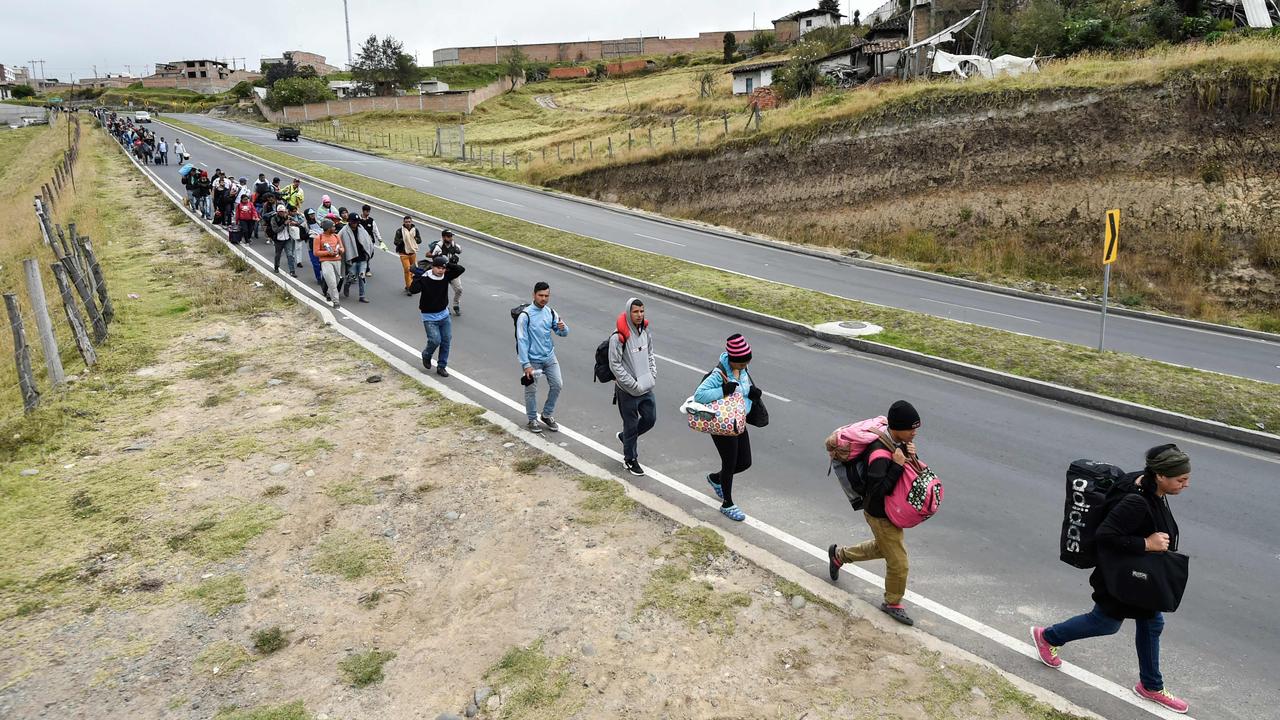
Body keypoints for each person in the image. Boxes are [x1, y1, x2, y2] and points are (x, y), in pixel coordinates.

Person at [1031, 445, 1192, 714]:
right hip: (1119, 577)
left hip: (1136, 576)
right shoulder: (1136, 500)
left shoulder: (1147, 483)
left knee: (1152, 622)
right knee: (1105, 622)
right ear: (1161, 475)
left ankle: (1151, 685)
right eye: (1181, 480)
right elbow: (1106, 535)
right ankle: (1047, 637)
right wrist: (1146, 543)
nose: (1186, 485)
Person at [827, 400, 922, 626]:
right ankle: (893, 602)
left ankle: (839, 556)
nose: (915, 432)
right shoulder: (879, 453)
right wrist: (898, 465)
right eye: (911, 428)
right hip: (879, 512)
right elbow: (876, 491)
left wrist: (909, 456)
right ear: (897, 427)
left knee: (884, 547)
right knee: (899, 562)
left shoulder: (896, 443)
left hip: (889, 511)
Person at [693, 334, 759, 522]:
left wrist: (752, 394)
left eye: (747, 363)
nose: (745, 367)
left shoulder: (744, 370)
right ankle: (727, 504)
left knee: (745, 462)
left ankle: (716, 479)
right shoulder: (719, 373)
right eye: (742, 364)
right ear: (733, 360)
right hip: (722, 424)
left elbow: (742, 391)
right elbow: (699, 395)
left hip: (739, 421)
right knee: (729, 463)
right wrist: (724, 390)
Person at [608, 297, 656, 476]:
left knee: (650, 419)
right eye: (635, 311)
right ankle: (630, 459)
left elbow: (650, 354)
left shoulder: (645, 331)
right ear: (629, 313)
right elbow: (615, 365)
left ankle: (625, 438)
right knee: (631, 424)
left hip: (646, 387)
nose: (639, 315)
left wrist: (652, 374)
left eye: (642, 311)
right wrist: (631, 384)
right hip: (627, 391)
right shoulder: (617, 337)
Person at [516, 282, 568, 434]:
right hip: (532, 360)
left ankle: (546, 415)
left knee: (557, 384)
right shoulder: (525, 316)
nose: (544, 298)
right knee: (531, 390)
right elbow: (522, 341)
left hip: (549, 357)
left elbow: (562, 333)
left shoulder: (551, 312)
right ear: (534, 295)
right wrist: (526, 364)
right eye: (541, 295)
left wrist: (563, 329)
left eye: (546, 296)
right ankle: (532, 419)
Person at [410, 256, 465, 377]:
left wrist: (448, 264)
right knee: (435, 340)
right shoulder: (425, 278)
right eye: (438, 268)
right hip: (429, 317)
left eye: (443, 268)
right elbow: (413, 290)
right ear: (432, 267)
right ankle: (426, 355)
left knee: (446, 341)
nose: (441, 270)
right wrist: (418, 276)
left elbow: (461, 269)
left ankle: (441, 366)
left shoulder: (446, 276)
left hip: (444, 315)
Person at [339, 208, 375, 302]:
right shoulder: (344, 231)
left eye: (356, 221)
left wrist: (369, 251)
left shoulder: (361, 229)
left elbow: (368, 241)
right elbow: (338, 241)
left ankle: (362, 296)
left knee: (362, 276)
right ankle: (347, 285)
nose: (355, 223)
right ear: (349, 221)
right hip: (352, 258)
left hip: (362, 257)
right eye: (353, 221)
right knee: (351, 276)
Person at [428, 228, 463, 315]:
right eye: (448, 236)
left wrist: (455, 251)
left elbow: (459, 251)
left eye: (451, 236)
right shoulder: (438, 246)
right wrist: (438, 256)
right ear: (443, 237)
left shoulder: (454, 245)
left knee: (459, 289)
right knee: (442, 290)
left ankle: (456, 305)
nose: (451, 238)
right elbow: (429, 255)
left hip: (453, 271)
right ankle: (444, 307)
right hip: (442, 272)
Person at [313, 218, 345, 308]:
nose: (335, 228)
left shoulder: (336, 236)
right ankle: (336, 301)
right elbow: (316, 252)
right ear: (328, 228)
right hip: (326, 261)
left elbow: (342, 248)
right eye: (333, 227)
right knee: (332, 282)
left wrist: (339, 251)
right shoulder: (318, 238)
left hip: (337, 260)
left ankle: (330, 294)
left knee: (338, 280)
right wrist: (328, 253)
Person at [393, 215, 420, 294]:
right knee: (407, 270)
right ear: (403, 222)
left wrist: (413, 238)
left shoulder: (415, 230)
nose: (408, 223)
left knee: (413, 270)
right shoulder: (399, 231)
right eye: (406, 222)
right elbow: (395, 242)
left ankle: (410, 283)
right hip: (403, 253)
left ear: (411, 222)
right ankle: (409, 287)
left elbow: (419, 241)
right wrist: (404, 239)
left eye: (409, 222)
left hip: (412, 253)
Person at [268, 203, 297, 275]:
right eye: (280, 211)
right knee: (278, 254)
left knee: (290, 254)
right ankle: (276, 267)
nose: (282, 213)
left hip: (287, 238)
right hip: (278, 240)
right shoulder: (273, 219)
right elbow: (275, 230)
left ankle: (292, 271)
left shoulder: (287, 217)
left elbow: (295, 221)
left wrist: (293, 222)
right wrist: (284, 224)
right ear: (277, 212)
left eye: (283, 211)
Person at [354, 205, 382, 276]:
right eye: (366, 211)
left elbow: (375, 230)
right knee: (361, 255)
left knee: (369, 255)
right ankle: (366, 270)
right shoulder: (358, 220)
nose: (368, 213)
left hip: (370, 241)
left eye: (369, 211)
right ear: (363, 211)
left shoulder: (371, 221)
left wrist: (379, 239)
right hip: (359, 241)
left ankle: (365, 267)